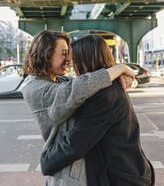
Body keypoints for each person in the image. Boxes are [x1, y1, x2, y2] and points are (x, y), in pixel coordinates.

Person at [21, 30, 135, 185]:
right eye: (64, 53)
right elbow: (81, 86)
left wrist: (116, 75)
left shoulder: (57, 80)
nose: (69, 60)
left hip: (71, 168)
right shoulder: (35, 88)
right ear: (46, 54)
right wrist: (120, 68)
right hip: (67, 173)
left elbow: (86, 82)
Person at [40, 34, 155, 186]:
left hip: (122, 178)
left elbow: (77, 141)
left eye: (75, 59)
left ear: (88, 59)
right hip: (129, 170)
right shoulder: (108, 87)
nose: (72, 64)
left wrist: (47, 162)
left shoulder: (104, 96)